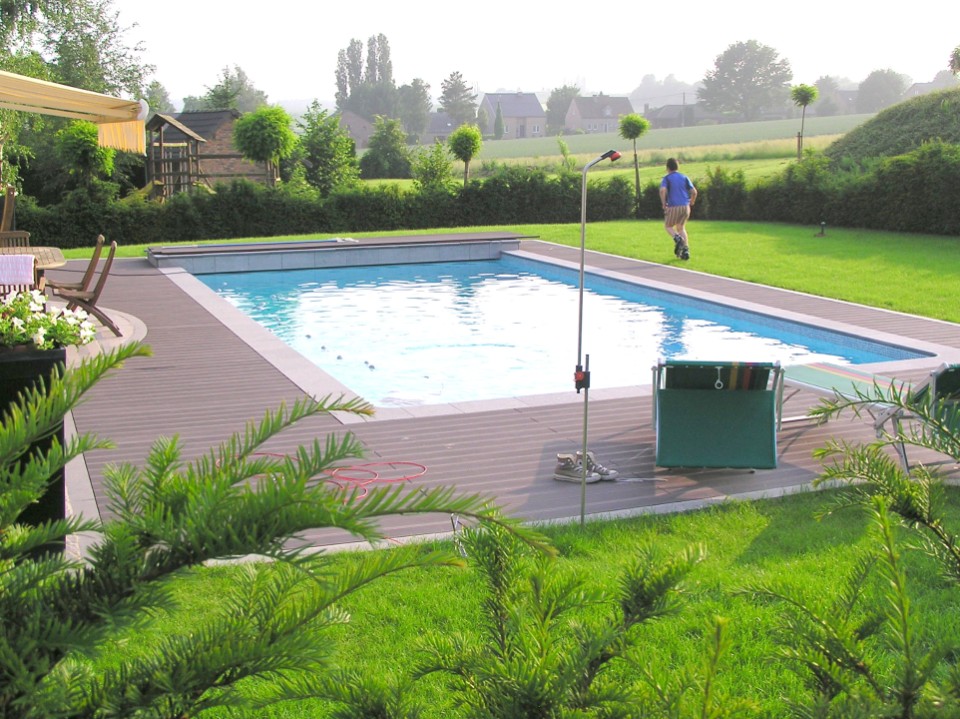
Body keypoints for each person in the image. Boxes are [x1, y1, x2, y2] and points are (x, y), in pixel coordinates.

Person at [659, 158, 698, 261]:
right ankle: (685, 250)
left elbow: (662, 190)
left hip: (673, 206)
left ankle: (677, 238)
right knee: (681, 227)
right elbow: (694, 192)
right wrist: (692, 201)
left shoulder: (667, 178)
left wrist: (664, 203)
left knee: (668, 226)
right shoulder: (684, 177)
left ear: (667, 168)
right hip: (685, 206)